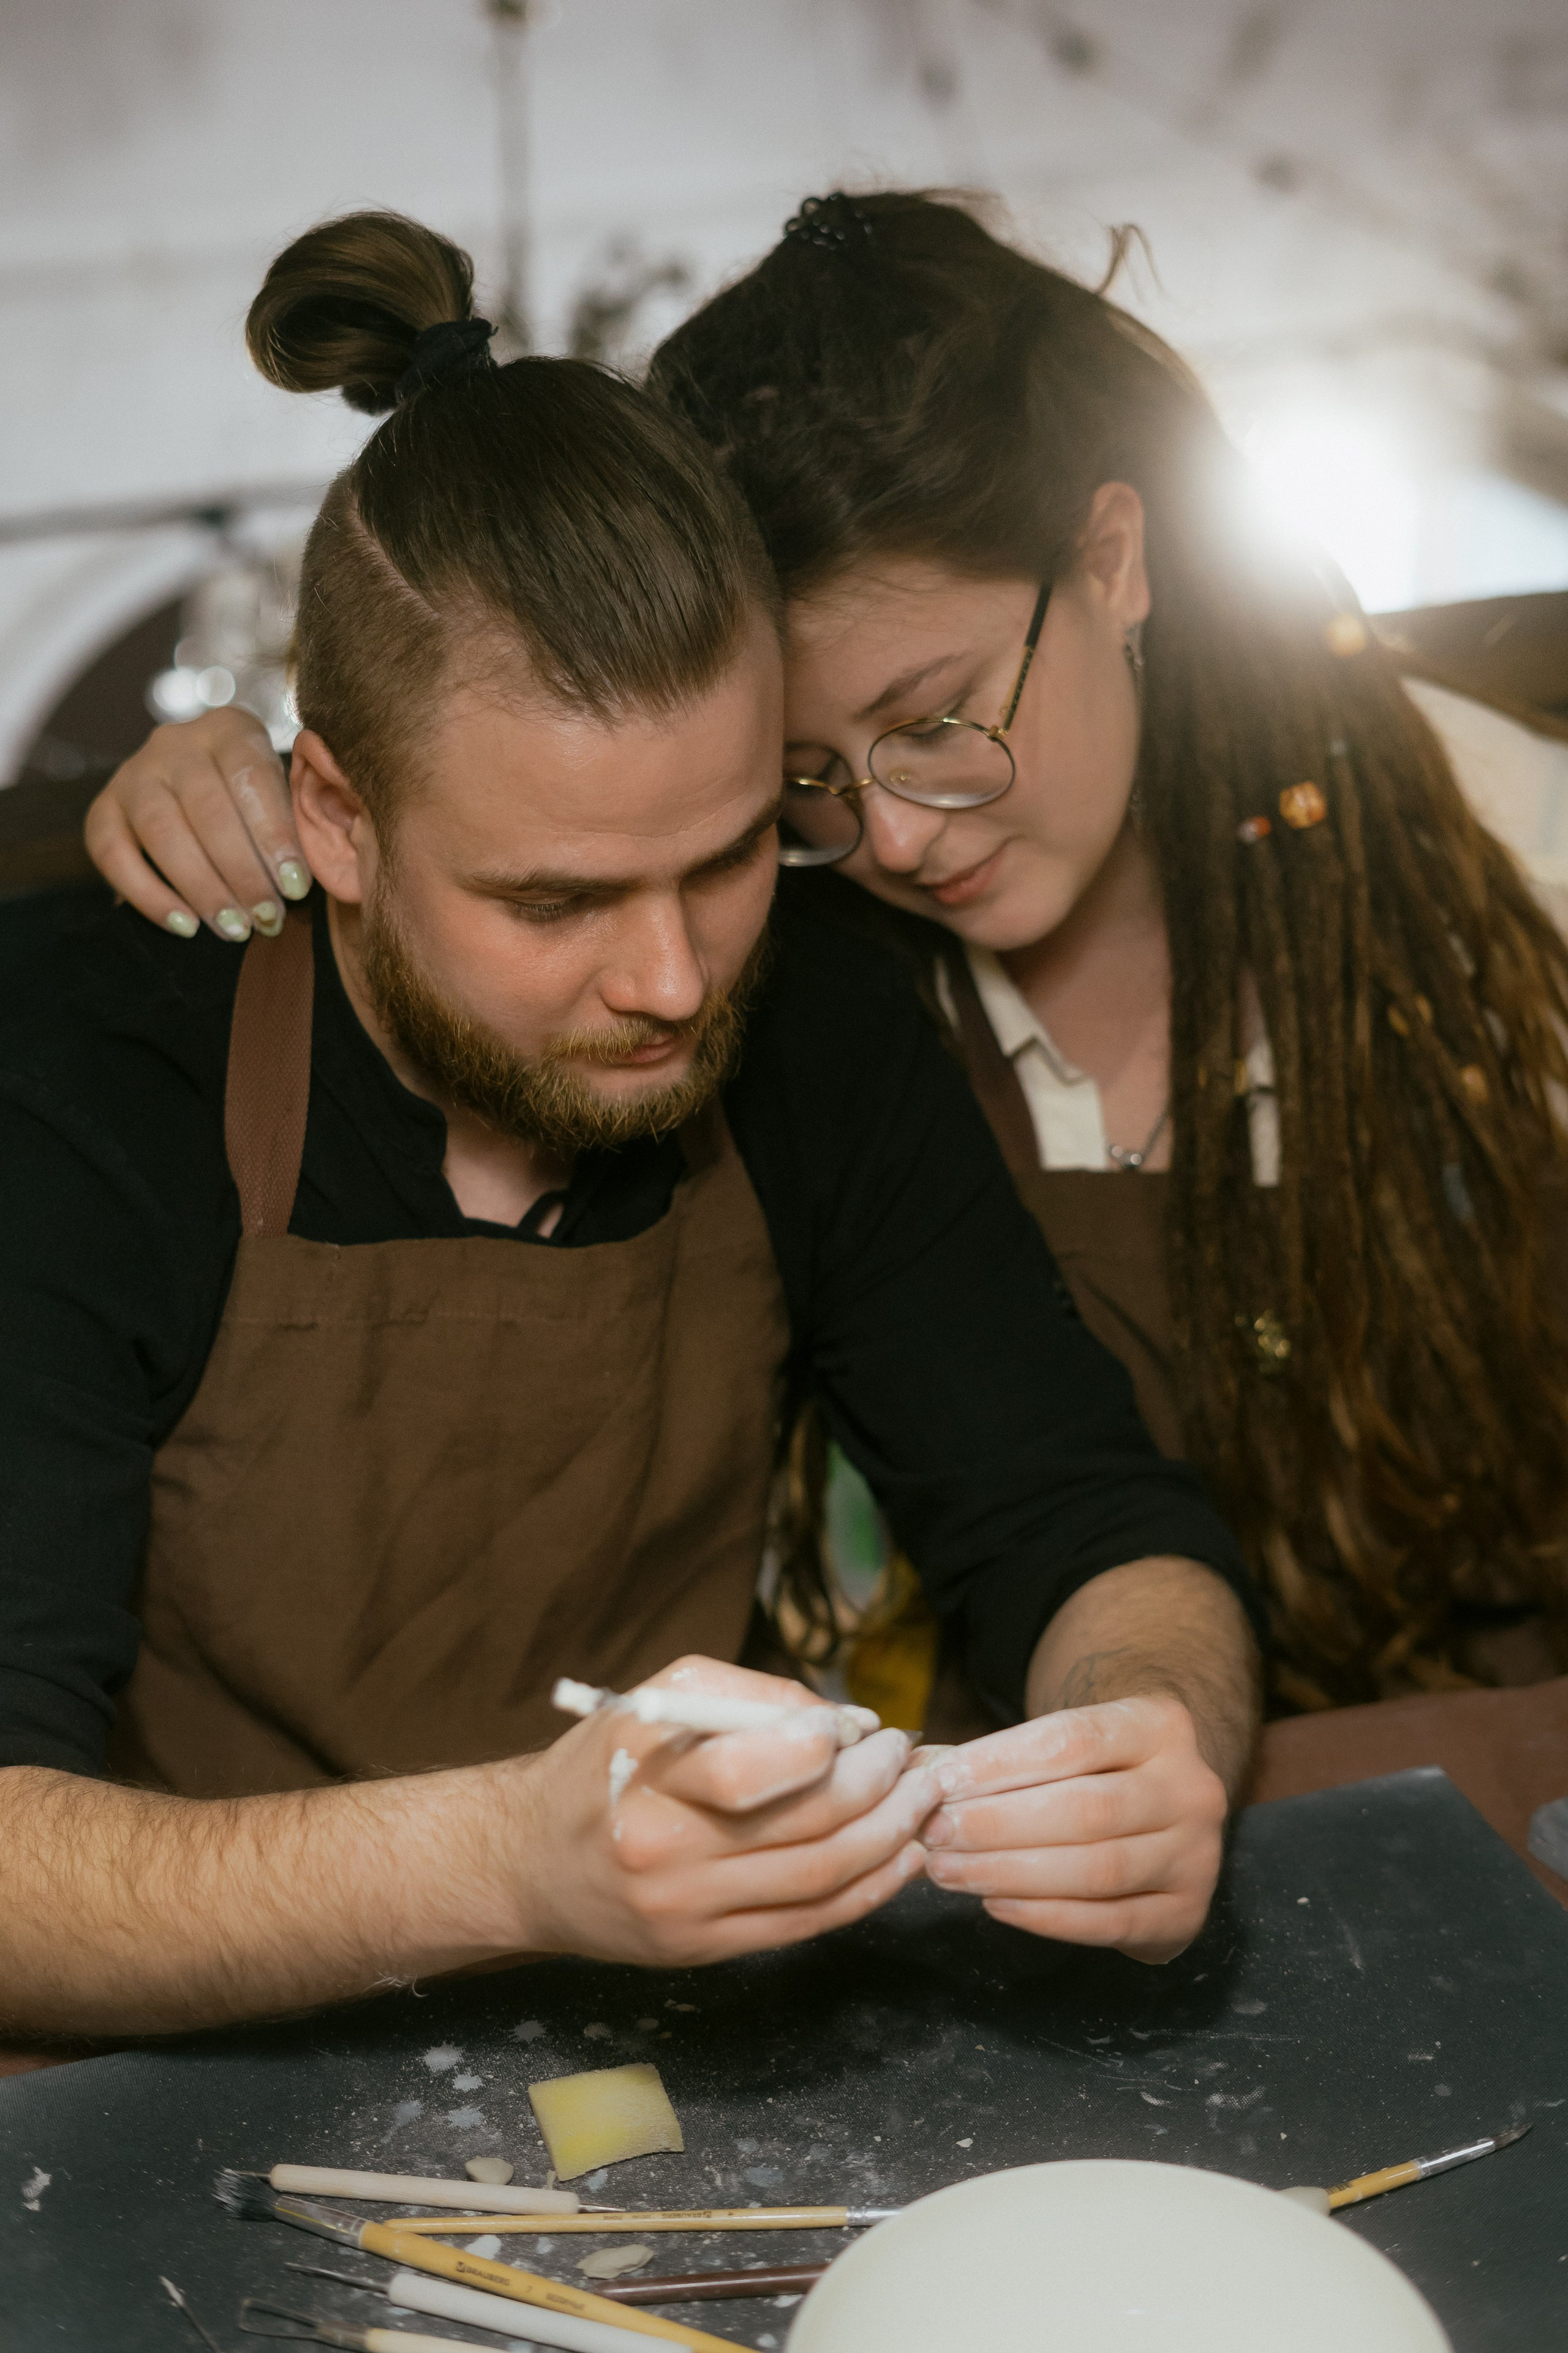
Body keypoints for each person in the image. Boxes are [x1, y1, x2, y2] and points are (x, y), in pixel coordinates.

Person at [0, 213, 1262, 2042]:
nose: (672, 980)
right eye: (557, 901)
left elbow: (1077, 1516)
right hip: (162, 2078)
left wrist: (1151, 1725)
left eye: (732, 853)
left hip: (674, 2044)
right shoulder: (84, 1075)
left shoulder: (815, 1022)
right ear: (337, 817)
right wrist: (508, 1865)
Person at [101, 196, 1568, 1720]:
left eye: (935, 721)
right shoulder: (782, 955)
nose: (896, 835)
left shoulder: (1512, 861)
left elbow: (1073, 1512)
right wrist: (228, 786)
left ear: (1110, 558)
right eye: (800, 778)